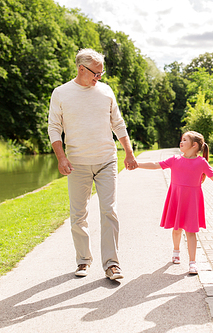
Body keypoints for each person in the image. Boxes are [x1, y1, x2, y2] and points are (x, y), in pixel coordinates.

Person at [48, 48, 138, 280]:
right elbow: (54, 127)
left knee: (109, 210)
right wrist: (61, 157)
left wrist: (128, 152)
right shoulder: (61, 93)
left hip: (106, 160)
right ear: (81, 69)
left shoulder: (106, 91)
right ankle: (83, 260)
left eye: (101, 73)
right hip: (77, 162)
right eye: (96, 73)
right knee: (79, 214)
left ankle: (111, 264)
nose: (100, 77)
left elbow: (118, 123)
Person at [135, 131, 213, 275]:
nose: (181, 142)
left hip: (192, 201)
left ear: (194, 145)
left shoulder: (201, 162)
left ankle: (192, 263)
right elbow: (155, 164)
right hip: (177, 198)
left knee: (191, 231)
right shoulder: (175, 159)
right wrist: (137, 164)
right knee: (177, 228)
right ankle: (176, 251)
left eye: (185, 140)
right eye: (181, 139)